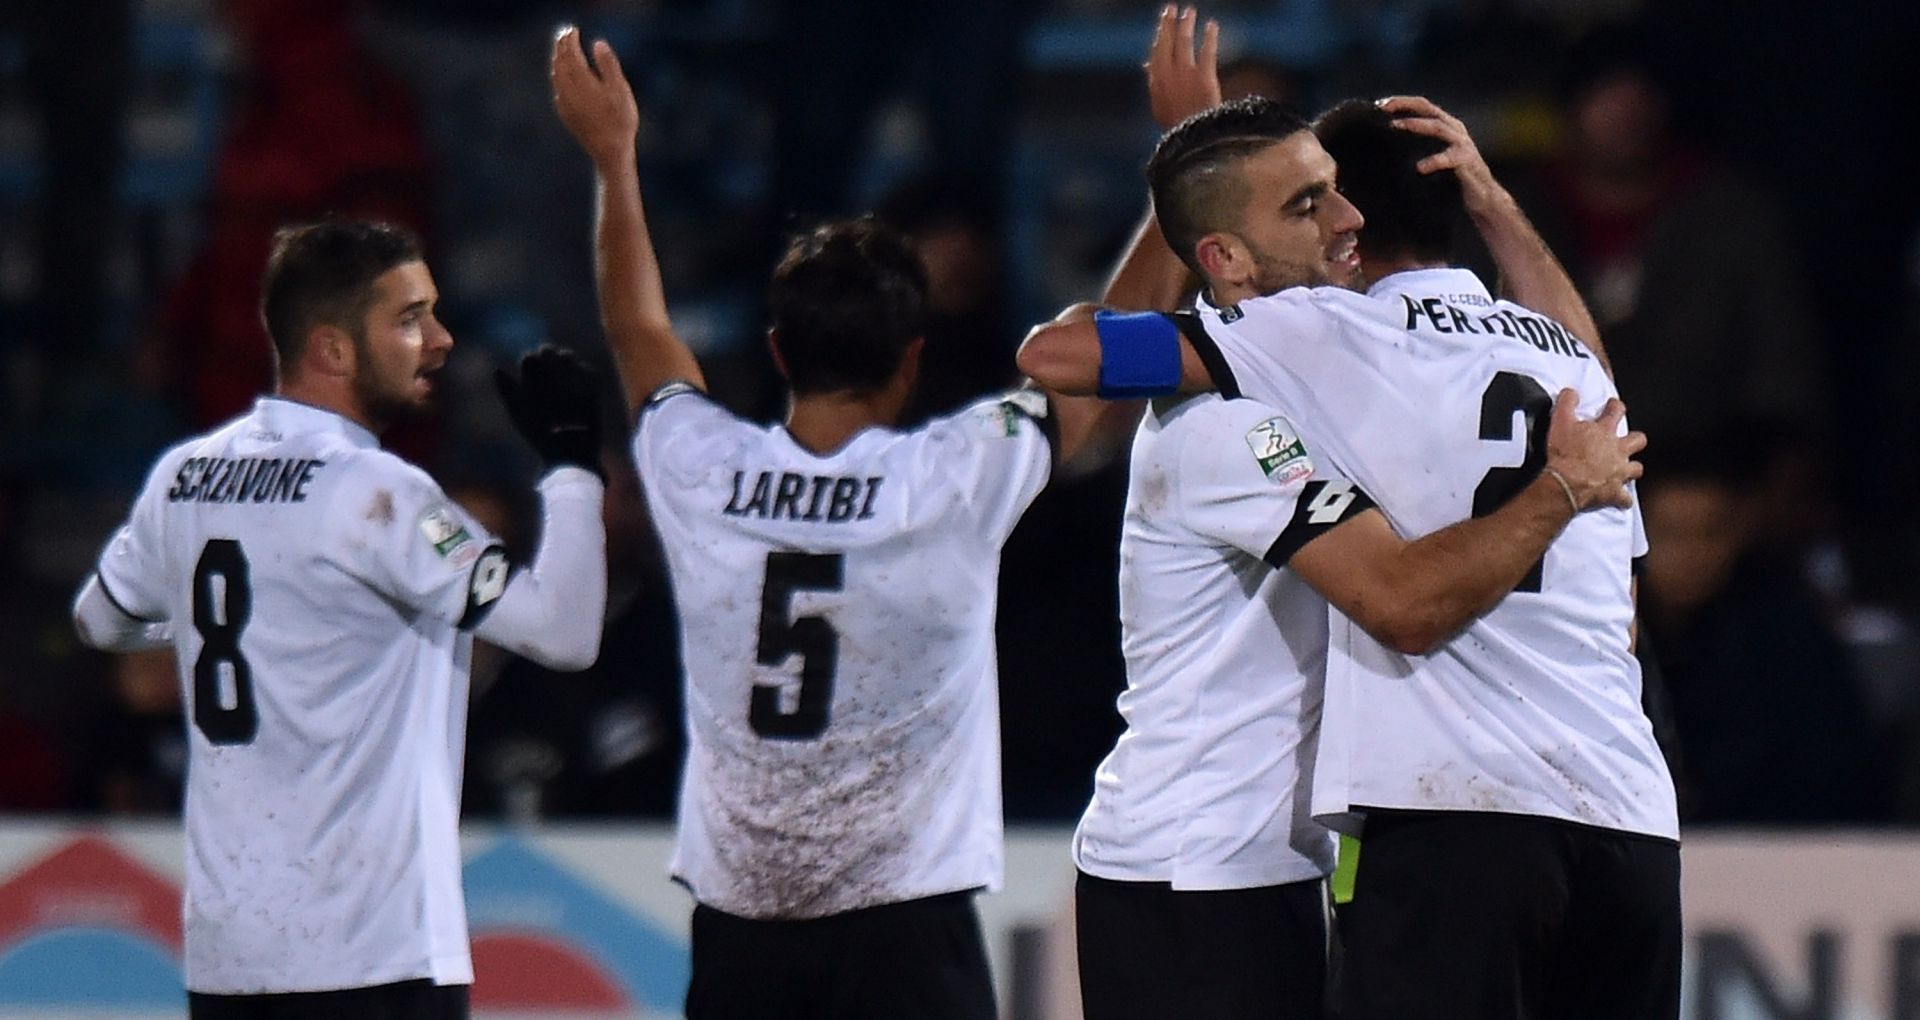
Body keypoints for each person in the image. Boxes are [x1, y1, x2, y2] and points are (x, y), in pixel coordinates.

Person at [1027, 16, 1649, 1018]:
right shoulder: (1238, 406)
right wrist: (1179, 185)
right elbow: (1060, 359)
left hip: (1267, 858)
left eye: (1342, 191)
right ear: (1228, 260)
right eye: (1310, 203)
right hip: (1198, 864)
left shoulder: (1335, 357)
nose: (1346, 217)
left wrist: (1484, 203)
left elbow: (1577, 383)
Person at [550, 26, 1148, 1019]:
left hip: (746, 923)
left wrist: (614, 160)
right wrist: (1177, 196)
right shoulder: (950, 475)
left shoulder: (704, 469)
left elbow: (639, 329)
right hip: (906, 923)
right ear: (914, 356)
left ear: (778, 350)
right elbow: (1100, 373)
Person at [71, 219, 609, 1019]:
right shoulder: (378, 493)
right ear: (330, 348)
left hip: (230, 964)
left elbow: (98, 621)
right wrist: (572, 468)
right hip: (374, 955)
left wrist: (194, 629)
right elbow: (565, 632)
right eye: (408, 319)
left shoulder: (184, 476)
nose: (440, 340)